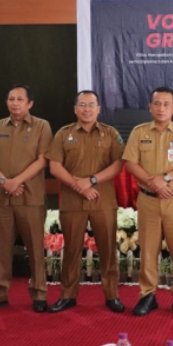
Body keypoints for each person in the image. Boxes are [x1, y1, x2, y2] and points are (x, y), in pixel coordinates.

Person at [46, 90, 125, 313]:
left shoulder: (111, 134)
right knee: (71, 250)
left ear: (99, 109)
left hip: (103, 200)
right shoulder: (64, 134)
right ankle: (67, 295)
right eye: (82, 104)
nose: (87, 109)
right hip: (72, 201)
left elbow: (118, 165)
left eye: (91, 105)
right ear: (75, 109)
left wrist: (91, 181)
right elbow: (54, 167)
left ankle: (112, 295)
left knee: (107, 249)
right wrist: (77, 185)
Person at [0, 85, 53, 313]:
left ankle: (39, 294)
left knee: (35, 249)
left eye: (20, 99)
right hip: (3, 198)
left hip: (30, 198)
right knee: (2, 248)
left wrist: (16, 181)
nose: (15, 103)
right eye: (11, 99)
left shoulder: (41, 126)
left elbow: (43, 160)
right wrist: (4, 181)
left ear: (30, 103)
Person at [122, 87, 173, 316]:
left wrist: (165, 178)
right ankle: (147, 295)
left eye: (166, 104)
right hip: (148, 199)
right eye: (157, 103)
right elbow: (130, 163)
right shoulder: (139, 132)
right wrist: (153, 183)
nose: (161, 108)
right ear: (150, 107)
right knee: (148, 249)